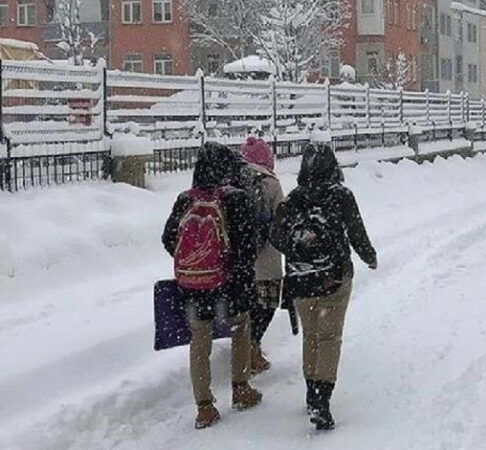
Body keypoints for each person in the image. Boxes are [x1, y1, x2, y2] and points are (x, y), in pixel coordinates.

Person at [270, 143, 377, 431]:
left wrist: (298, 250)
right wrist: (369, 256)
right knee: (329, 338)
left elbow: (275, 235)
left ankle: (310, 392)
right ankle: (322, 400)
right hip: (334, 277)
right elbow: (356, 231)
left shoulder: (293, 198)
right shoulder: (341, 196)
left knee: (312, 337)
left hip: (301, 278)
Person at [162, 142, 262, 430]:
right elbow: (246, 246)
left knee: (199, 341)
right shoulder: (235, 198)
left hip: (193, 285)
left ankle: (204, 407)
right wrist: (234, 273)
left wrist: (195, 261)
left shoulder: (185, 199)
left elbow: (168, 238)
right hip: (229, 284)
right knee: (241, 328)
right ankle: (241, 388)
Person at [241, 135, 285, 374]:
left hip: (240, 261)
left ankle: (244, 347)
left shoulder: (233, 181)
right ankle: (253, 347)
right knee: (266, 305)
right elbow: (283, 219)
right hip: (267, 260)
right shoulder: (271, 183)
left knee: (245, 307)